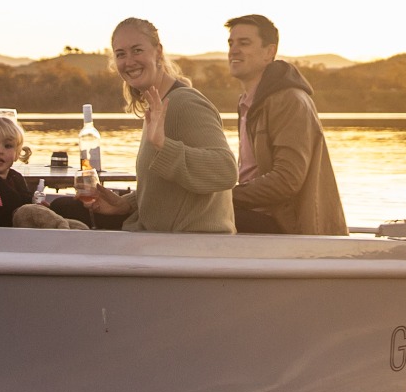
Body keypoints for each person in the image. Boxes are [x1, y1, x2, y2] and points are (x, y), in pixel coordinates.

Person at [17, 19, 234, 234]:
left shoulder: (185, 103)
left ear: (158, 52)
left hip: (186, 248)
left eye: (137, 50)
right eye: (121, 54)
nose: (129, 62)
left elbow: (225, 171)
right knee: (60, 208)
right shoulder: (158, 105)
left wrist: (163, 144)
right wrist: (126, 204)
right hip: (153, 240)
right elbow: (169, 188)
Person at [225, 13, 346, 236]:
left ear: (269, 52)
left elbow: (287, 180)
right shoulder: (246, 103)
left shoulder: (289, 100)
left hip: (285, 225)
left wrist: (224, 197)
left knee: (194, 213)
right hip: (255, 216)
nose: (233, 50)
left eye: (244, 43)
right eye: (231, 43)